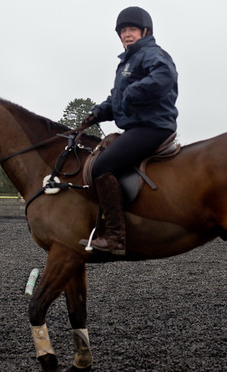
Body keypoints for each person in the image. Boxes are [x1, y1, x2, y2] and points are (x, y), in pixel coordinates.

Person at [80, 6, 179, 255]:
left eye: (131, 29)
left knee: (103, 166)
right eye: (123, 30)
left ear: (144, 31)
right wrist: (96, 113)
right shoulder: (126, 62)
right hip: (137, 126)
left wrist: (133, 91)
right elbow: (117, 99)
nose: (126, 34)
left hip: (153, 126)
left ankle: (115, 237)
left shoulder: (153, 54)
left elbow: (165, 76)